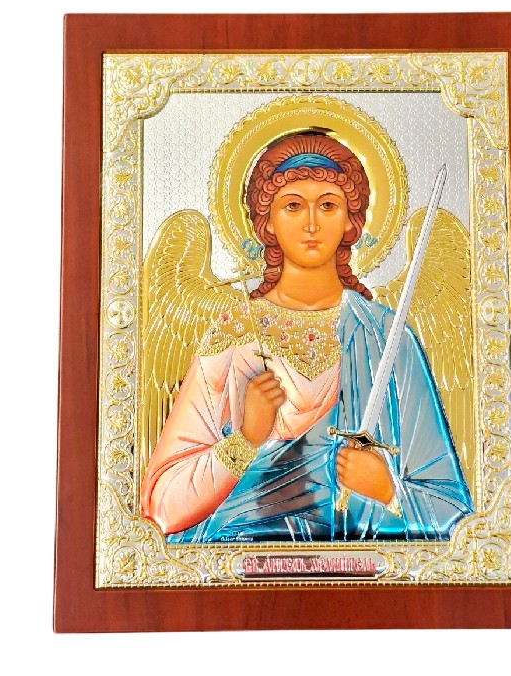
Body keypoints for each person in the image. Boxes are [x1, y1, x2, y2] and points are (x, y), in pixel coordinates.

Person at [141, 133, 473, 543]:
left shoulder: (387, 339)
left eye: (328, 205)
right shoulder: (233, 337)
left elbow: (455, 515)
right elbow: (162, 507)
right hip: (236, 564)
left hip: (361, 569)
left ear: (351, 220)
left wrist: (390, 492)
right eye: (293, 206)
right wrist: (245, 440)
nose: (311, 223)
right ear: (267, 221)